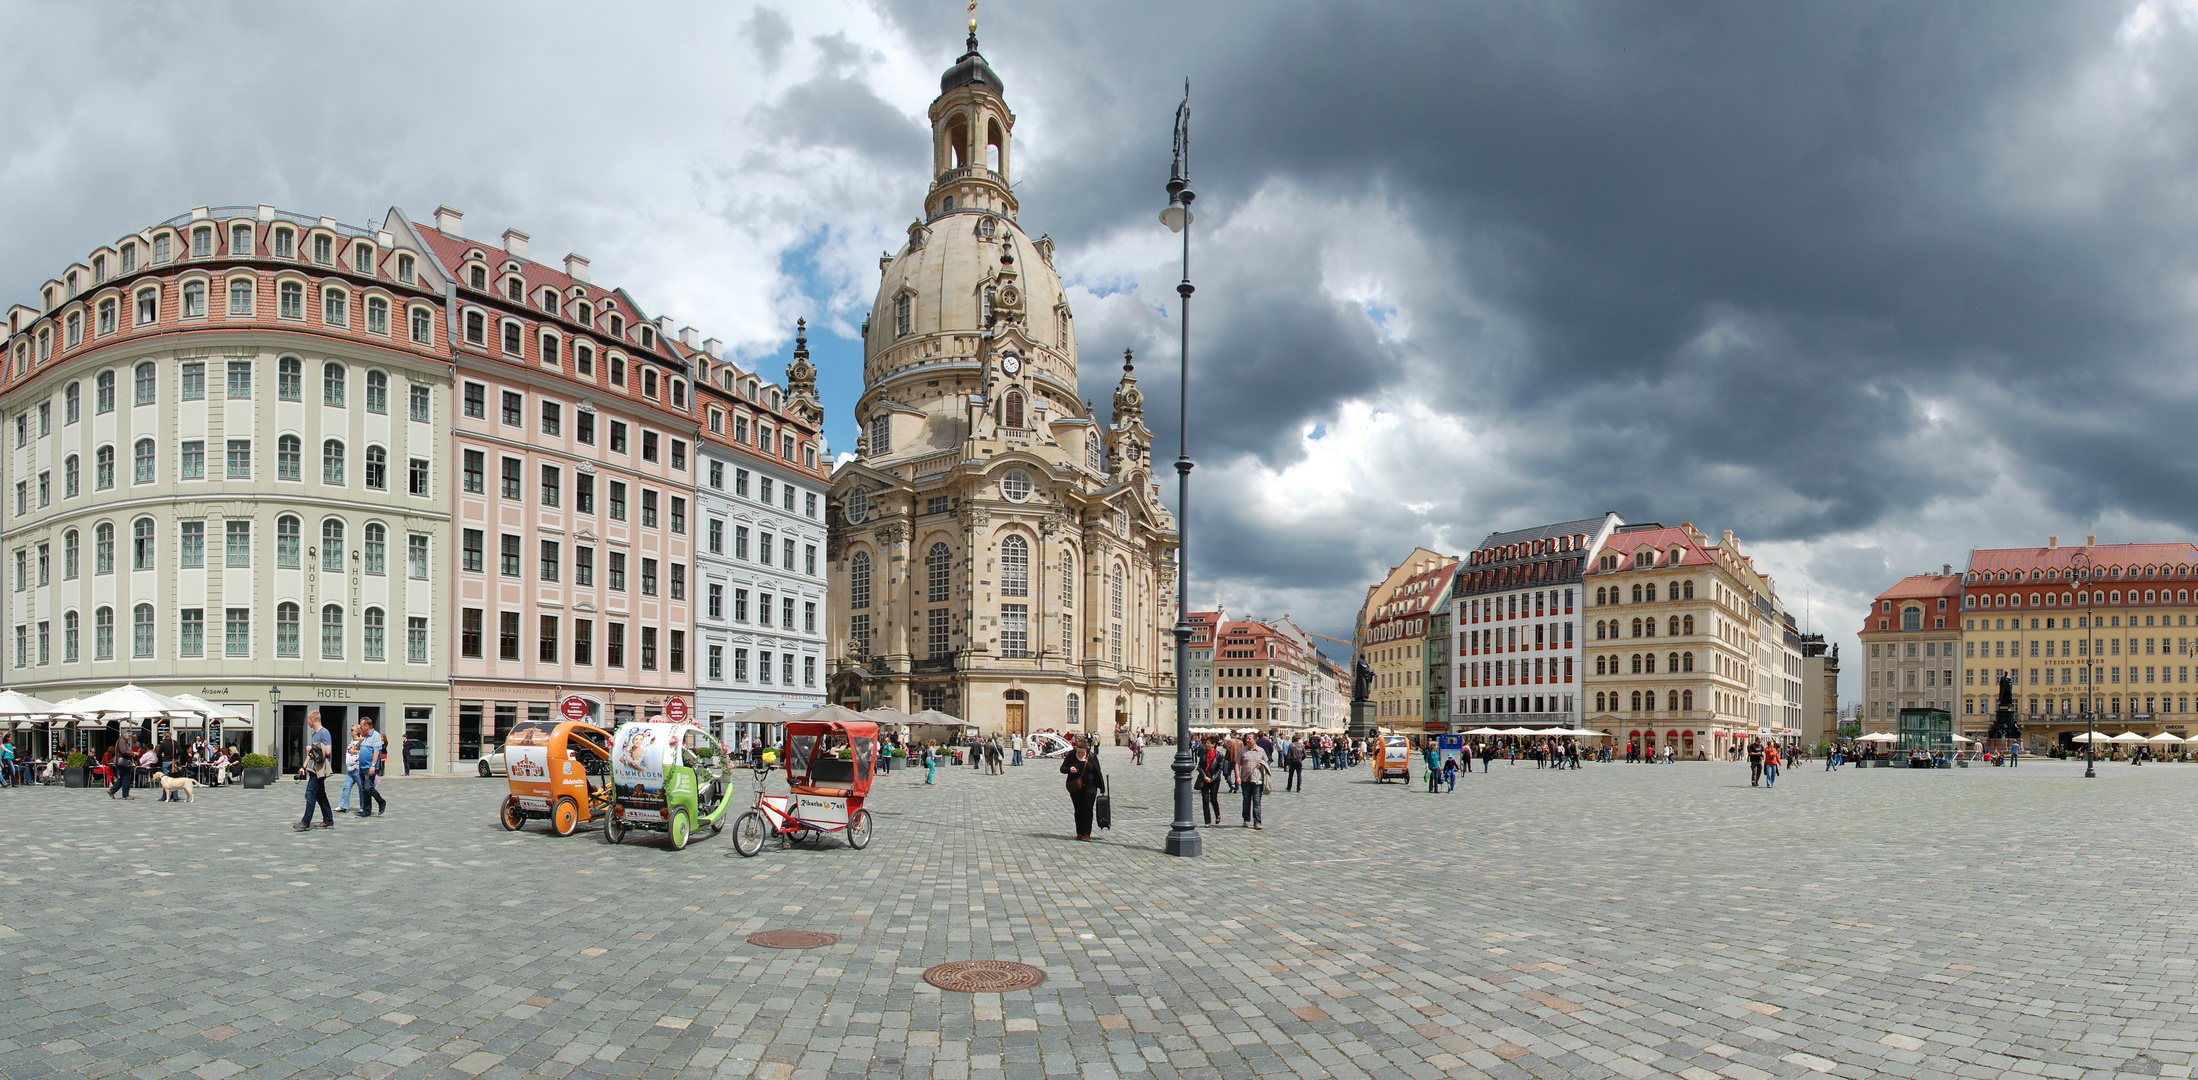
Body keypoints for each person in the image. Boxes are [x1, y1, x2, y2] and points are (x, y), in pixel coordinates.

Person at [295, 714, 335, 831]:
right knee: (320, 795)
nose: (307, 722)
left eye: (308, 720)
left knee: (310, 794)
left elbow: (327, 751)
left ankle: (305, 822)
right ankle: (328, 820)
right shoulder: (314, 734)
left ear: (312, 720)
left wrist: (312, 748)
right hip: (314, 768)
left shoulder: (324, 733)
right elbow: (311, 753)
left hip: (321, 769)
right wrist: (304, 766)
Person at [1060, 738, 1104, 841]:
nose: (1080, 754)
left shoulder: (1092, 756)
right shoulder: (1071, 755)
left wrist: (1101, 787)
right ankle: (1079, 832)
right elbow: (1062, 769)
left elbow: (1098, 771)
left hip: (1090, 786)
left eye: (1082, 752)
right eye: (1078, 752)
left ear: (1086, 750)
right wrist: (1069, 769)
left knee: (1088, 808)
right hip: (1075, 787)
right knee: (1078, 809)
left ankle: (1087, 833)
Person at [1238, 737, 1269, 830]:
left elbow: (1267, 762)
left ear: (1255, 740)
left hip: (1257, 780)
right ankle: (1246, 819)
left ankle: (1257, 822)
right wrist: (1237, 777)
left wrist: (1262, 764)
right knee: (1246, 801)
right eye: (1246, 739)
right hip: (1245, 779)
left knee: (1256, 801)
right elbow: (1237, 763)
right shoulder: (1242, 751)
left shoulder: (1261, 750)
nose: (1247, 740)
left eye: (1249, 739)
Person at [357, 724, 387, 818]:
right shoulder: (364, 736)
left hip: (369, 767)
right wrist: (360, 741)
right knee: (364, 789)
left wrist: (373, 766)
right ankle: (366, 811)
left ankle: (381, 801)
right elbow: (357, 748)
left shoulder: (375, 735)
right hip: (362, 766)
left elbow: (376, 751)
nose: (360, 727)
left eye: (361, 725)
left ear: (367, 726)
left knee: (368, 787)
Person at [1197, 737, 1226, 826]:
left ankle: (1217, 814)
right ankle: (1207, 821)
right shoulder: (1203, 753)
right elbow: (1199, 767)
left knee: (1213, 799)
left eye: (1208, 743)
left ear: (1214, 744)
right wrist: (1204, 776)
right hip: (1204, 779)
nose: (1206, 744)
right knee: (1205, 800)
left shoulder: (1219, 755)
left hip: (1214, 780)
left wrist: (1212, 778)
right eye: (1206, 743)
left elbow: (1220, 769)